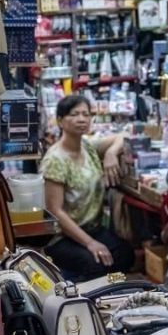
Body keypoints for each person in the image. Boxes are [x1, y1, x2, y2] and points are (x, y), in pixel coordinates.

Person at [41, 94, 134, 281]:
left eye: (86, 114)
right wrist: (90, 243)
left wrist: (110, 153)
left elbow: (123, 136)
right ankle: (83, 301)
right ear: (60, 121)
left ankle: (108, 293)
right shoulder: (55, 160)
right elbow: (55, 211)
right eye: (74, 114)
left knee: (126, 255)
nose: (82, 119)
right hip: (62, 237)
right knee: (95, 264)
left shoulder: (87, 146)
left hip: (93, 228)